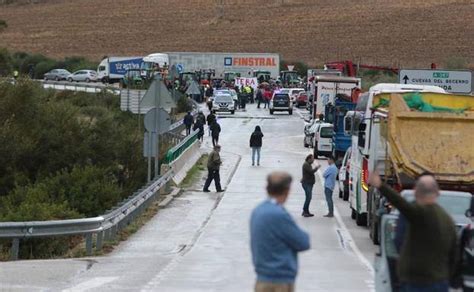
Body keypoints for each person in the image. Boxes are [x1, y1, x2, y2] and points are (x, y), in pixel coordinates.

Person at [370, 173, 457, 292]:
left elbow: (401, 204)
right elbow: (454, 255)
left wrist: (380, 185)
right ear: (437, 193)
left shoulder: (421, 214)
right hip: (441, 282)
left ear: (416, 192)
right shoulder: (448, 220)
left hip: (418, 282)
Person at [250, 171, 310, 292]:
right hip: (278, 281)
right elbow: (303, 242)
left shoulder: (258, 211)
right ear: (287, 190)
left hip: (262, 277)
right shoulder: (279, 214)